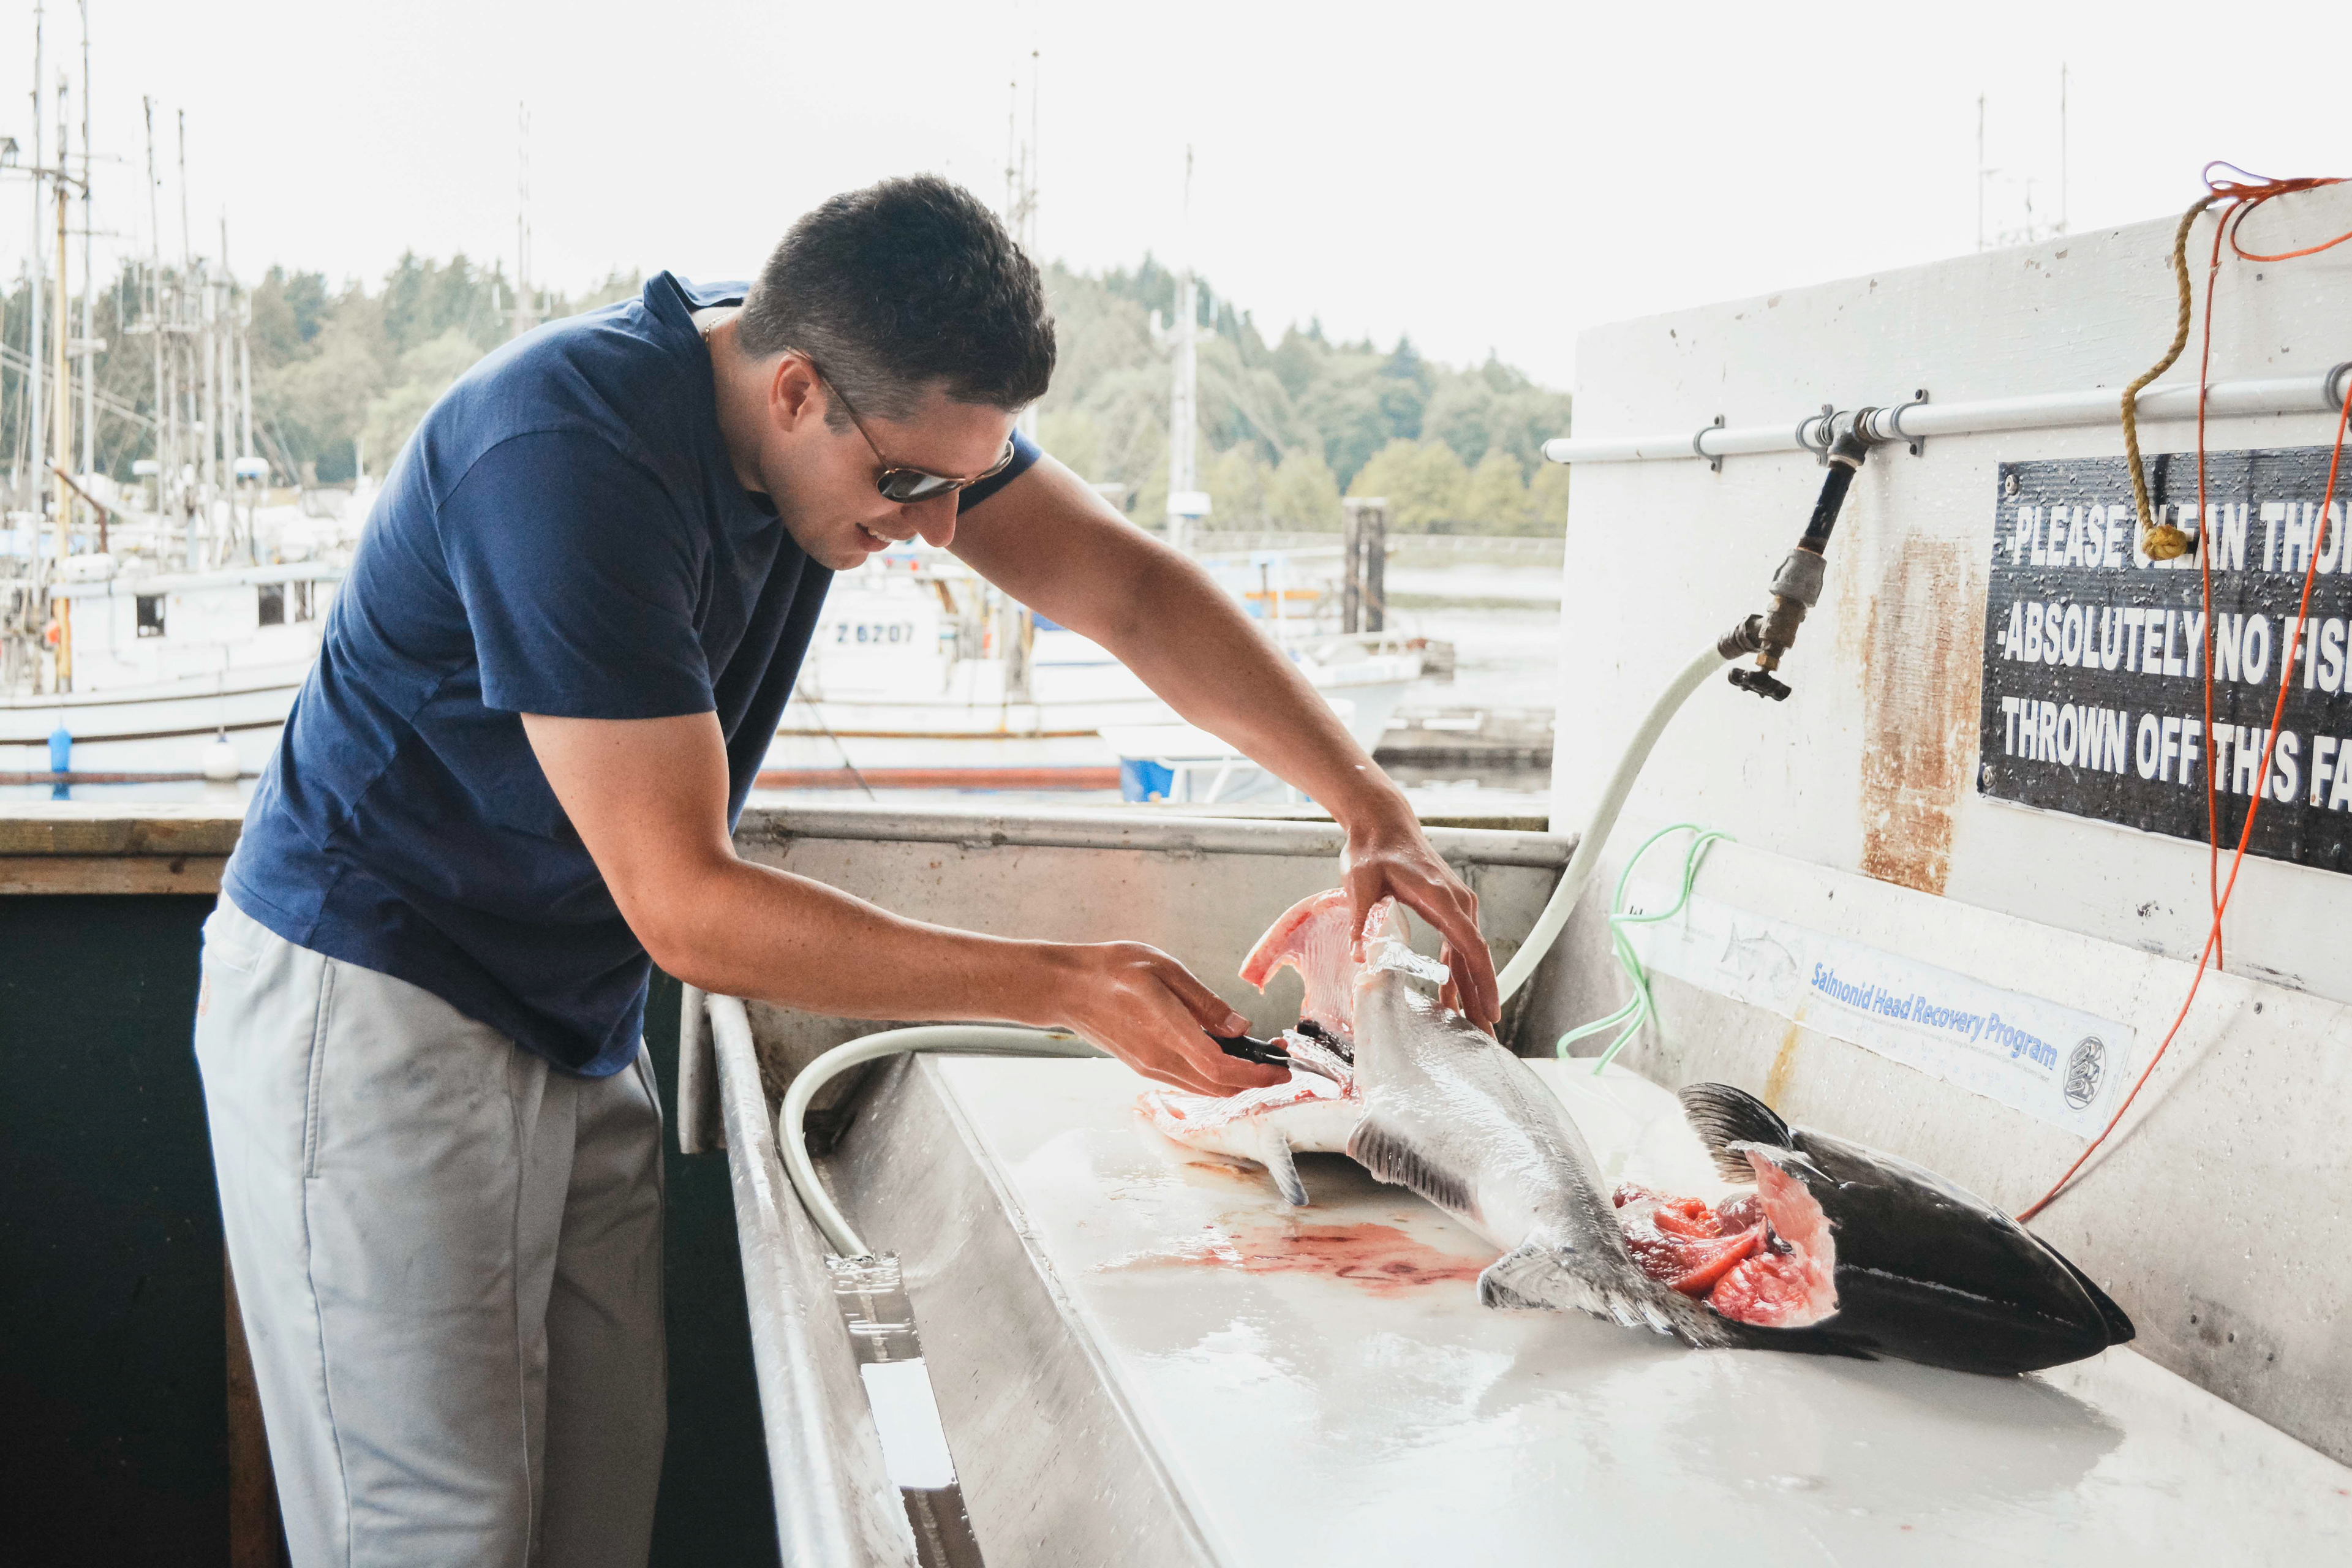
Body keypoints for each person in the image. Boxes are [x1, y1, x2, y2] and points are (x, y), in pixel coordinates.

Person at [194, 175, 1498, 1566]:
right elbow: (688, 906)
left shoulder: (856, 410)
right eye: (911, 485)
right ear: (797, 391)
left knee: (590, 1516)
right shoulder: (563, 454)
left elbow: (1123, 588)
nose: (937, 530)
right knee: (435, 1537)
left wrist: (1367, 802)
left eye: (967, 484)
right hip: (379, 1000)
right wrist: (1066, 985)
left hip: (571, 1012)